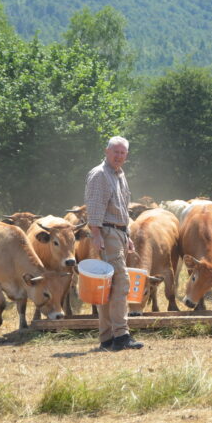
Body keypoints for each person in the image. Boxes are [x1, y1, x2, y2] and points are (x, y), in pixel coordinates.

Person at [84, 136, 143, 351]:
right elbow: (94, 205)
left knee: (108, 288)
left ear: (126, 156)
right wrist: (96, 234)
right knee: (121, 283)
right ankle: (121, 335)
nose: (119, 156)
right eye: (115, 152)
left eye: (122, 153)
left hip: (118, 232)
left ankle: (107, 338)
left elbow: (122, 207)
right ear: (106, 151)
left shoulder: (119, 174)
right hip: (107, 233)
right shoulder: (100, 174)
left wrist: (126, 236)